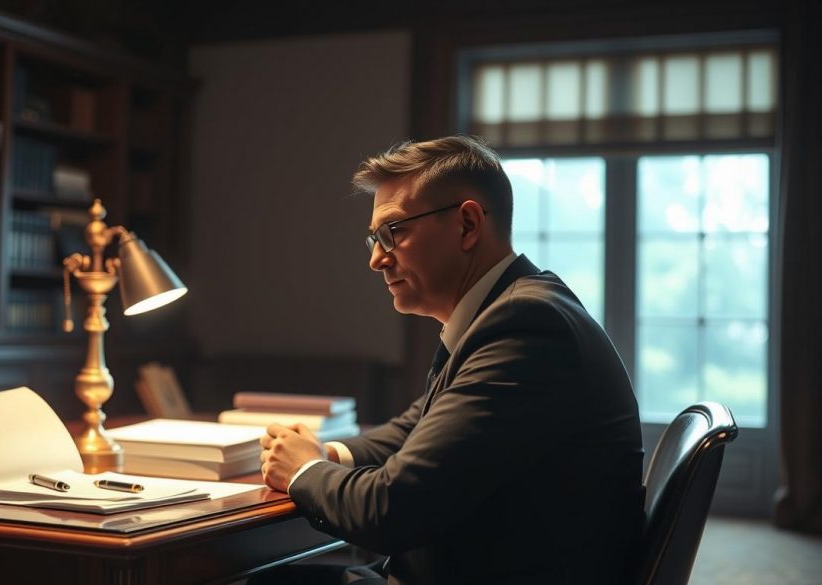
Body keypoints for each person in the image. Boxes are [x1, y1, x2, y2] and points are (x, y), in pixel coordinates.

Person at [259, 135, 645, 584]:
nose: (377, 259)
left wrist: (305, 470)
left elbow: (392, 511)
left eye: (393, 232)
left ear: (467, 224)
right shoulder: (507, 310)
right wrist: (328, 452)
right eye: (373, 239)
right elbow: (415, 428)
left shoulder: (527, 326)